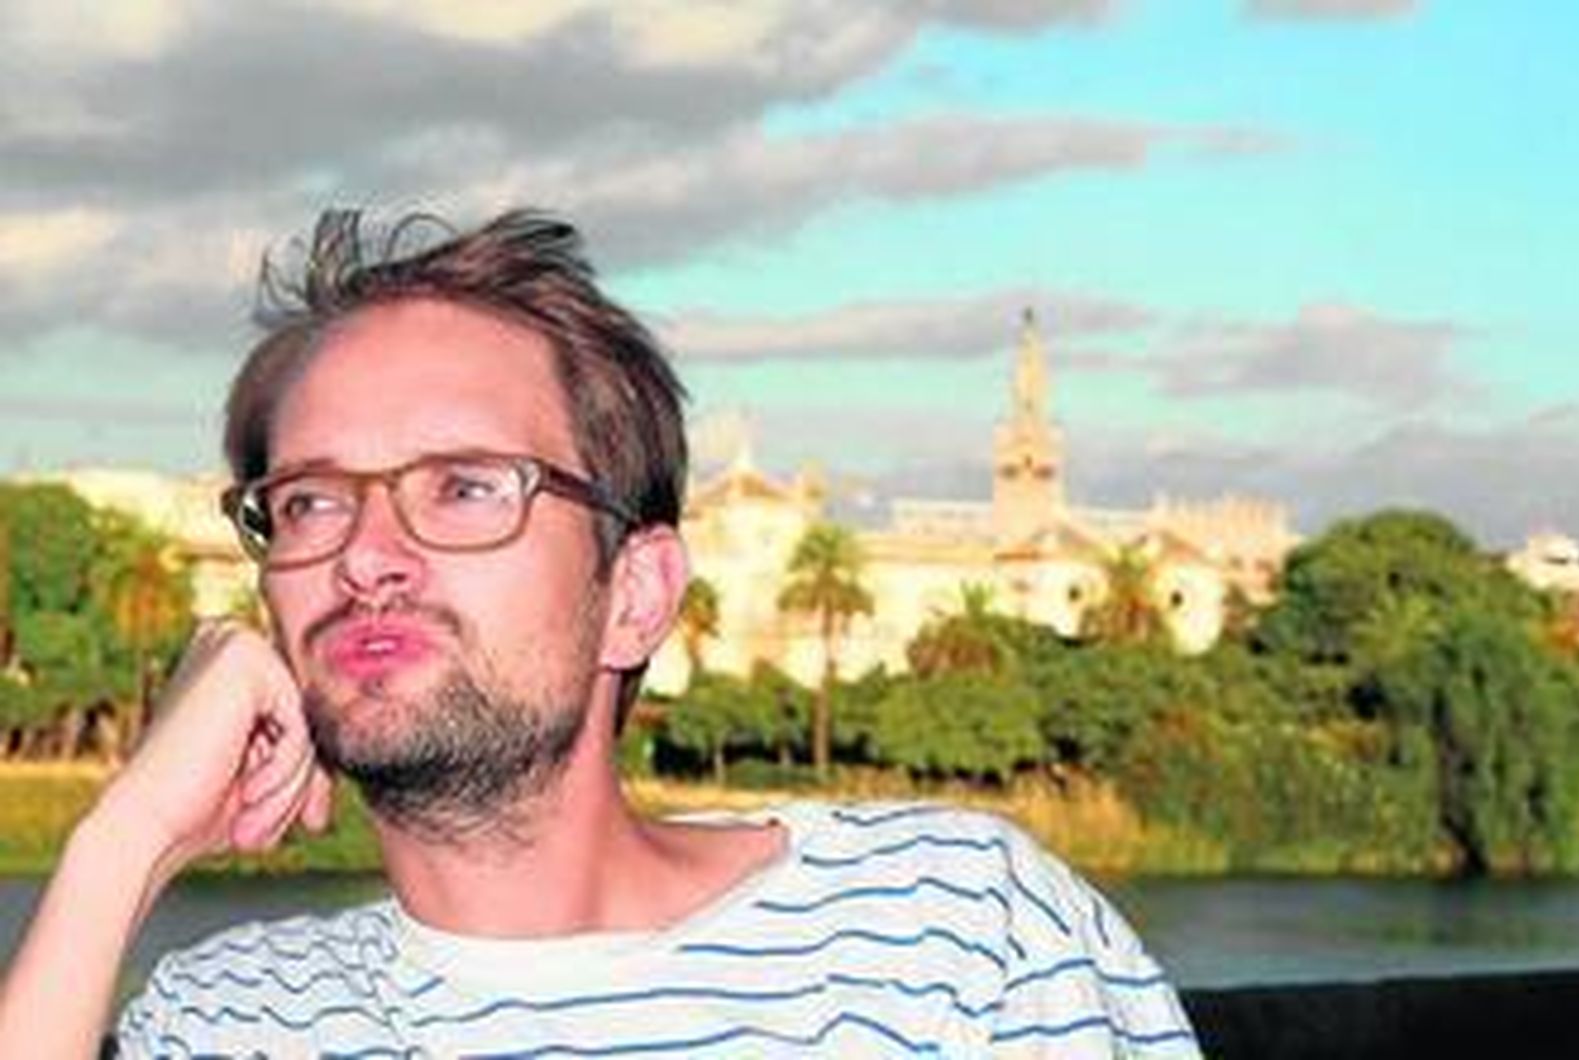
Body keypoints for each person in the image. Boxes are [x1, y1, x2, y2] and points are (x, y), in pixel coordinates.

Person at [0, 208, 1201, 1058]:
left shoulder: (946, 925)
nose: (365, 554)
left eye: (466, 487)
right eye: (312, 499)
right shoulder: (236, 1019)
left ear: (635, 593)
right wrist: (122, 843)